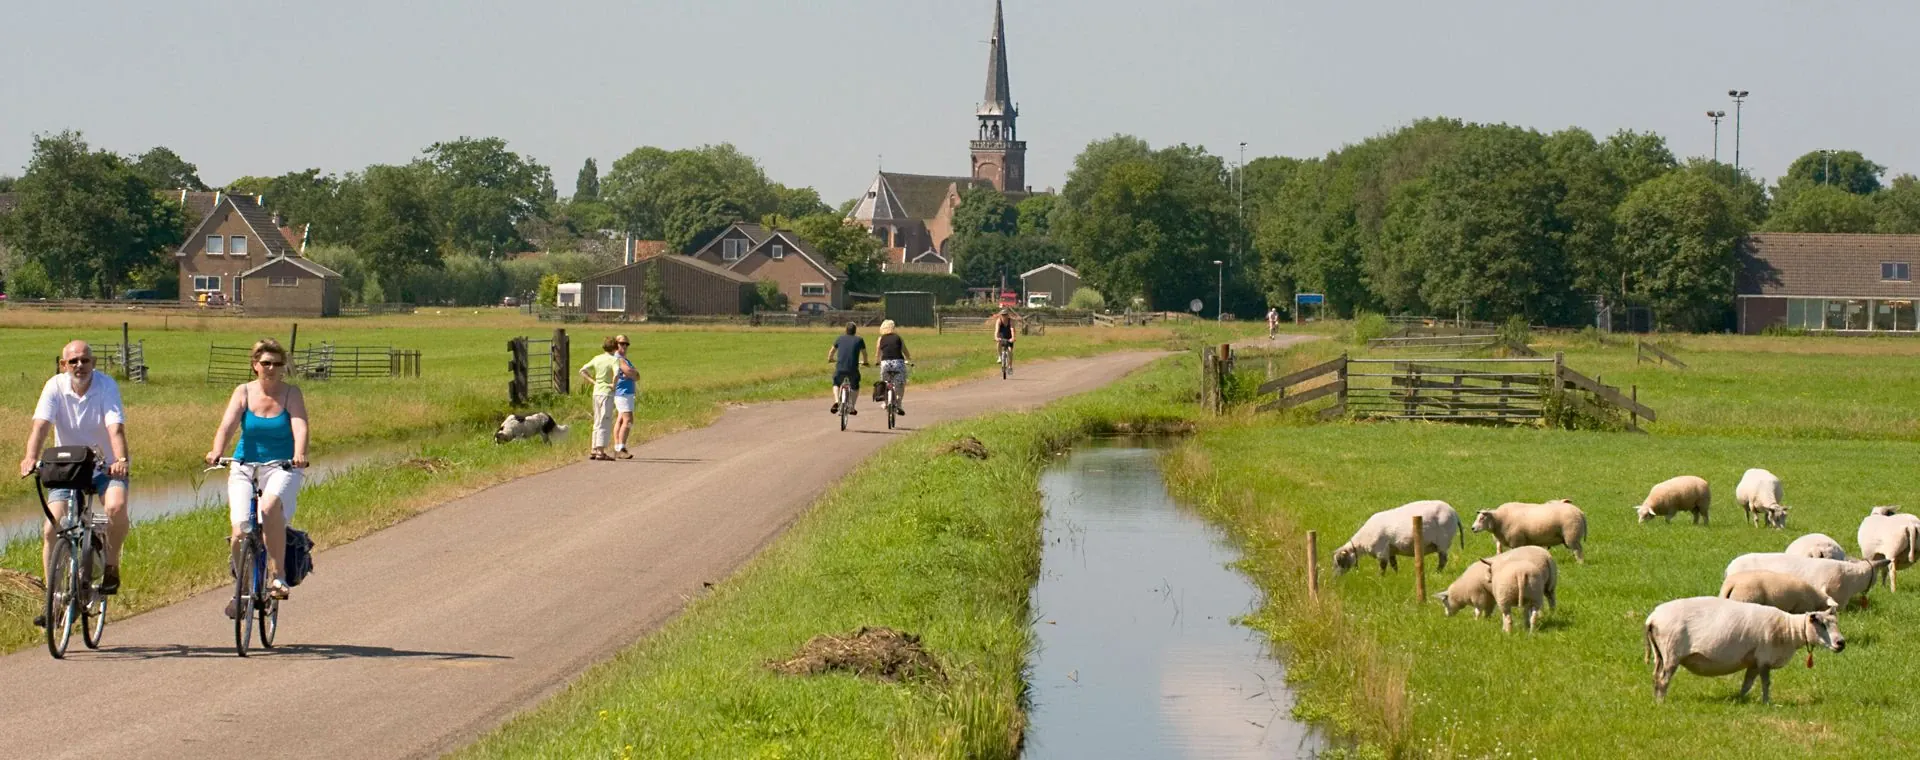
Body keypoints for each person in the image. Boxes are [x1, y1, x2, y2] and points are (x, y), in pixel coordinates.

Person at [20, 341, 131, 628]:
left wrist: (119, 458)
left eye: (85, 360)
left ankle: (111, 564)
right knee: (51, 527)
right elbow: (41, 426)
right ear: (63, 365)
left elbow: (115, 427)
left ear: (93, 363)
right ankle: (54, 601)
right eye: (73, 362)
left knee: (116, 508)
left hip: (105, 465)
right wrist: (31, 457)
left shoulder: (106, 387)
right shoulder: (54, 387)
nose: (79, 366)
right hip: (68, 468)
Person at [204, 338, 308, 607]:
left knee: (270, 507)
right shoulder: (243, 392)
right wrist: (217, 450)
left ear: (283, 367)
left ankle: (279, 576)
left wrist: (299, 454)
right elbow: (226, 426)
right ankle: (243, 588)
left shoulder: (290, 394)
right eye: (265, 363)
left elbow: (300, 426)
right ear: (255, 365)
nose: (271, 368)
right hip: (244, 465)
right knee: (239, 532)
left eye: (277, 364)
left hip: (281, 466)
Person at [578, 336, 622, 461]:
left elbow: (582, 370)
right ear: (615, 347)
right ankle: (600, 451)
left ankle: (594, 448)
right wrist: (613, 384)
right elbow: (617, 373)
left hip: (596, 392)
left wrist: (593, 381)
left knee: (597, 420)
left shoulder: (597, 358)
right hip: (607, 393)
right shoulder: (614, 360)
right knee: (605, 420)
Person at [827, 322, 868, 415]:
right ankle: (852, 407)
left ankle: (837, 401)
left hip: (840, 369)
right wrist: (865, 362)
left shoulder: (840, 338)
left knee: (836, 383)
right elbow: (864, 354)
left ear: (846, 330)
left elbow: (832, 351)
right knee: (855, 386)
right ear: (855, 330)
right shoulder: (859, 339)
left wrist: (830, 359)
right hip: (853, 369)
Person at [611, 334, 639, 459]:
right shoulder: (619, 359)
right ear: (616, 345)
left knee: (621, 419)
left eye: (626, 344)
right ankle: (621, 446)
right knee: (628, 420)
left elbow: (635, 375)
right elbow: (629, 372)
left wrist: (635, 374)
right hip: (623, 393)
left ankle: (617, 447)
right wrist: (634, 373)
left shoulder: (623, 358)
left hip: (625, 392)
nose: (624, 346)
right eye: (621, 343)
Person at [876, 319, 913, 414]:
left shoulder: (881, 338)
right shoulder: (898, 338)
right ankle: (899, 403)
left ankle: (885, 403)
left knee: (884, 382)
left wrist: (877, 362)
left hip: (885, 364)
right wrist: (909, 359)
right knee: (900, 384)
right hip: (898, 363)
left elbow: (878, 354)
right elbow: (905, 351)